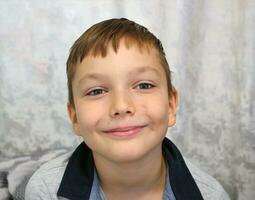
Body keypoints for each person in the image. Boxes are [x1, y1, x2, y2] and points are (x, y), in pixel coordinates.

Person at [25, 18, 230, 200]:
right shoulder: (45, 190)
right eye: (96, 91)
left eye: (144, 85)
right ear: (75, 117)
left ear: (170, 105)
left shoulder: (211, 195)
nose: (121, 106)